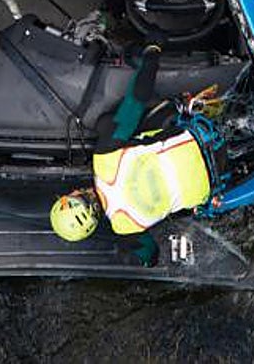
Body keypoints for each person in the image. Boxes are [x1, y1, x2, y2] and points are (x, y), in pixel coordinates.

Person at [50, 48, 227, 245]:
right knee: (111, 124)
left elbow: (150, 252)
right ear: (73, 196)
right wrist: (152, 53)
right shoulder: (104, 159)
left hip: (216, 180)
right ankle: (183, 106)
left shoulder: (125, 228)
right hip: (202, 136)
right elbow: (136, 100)